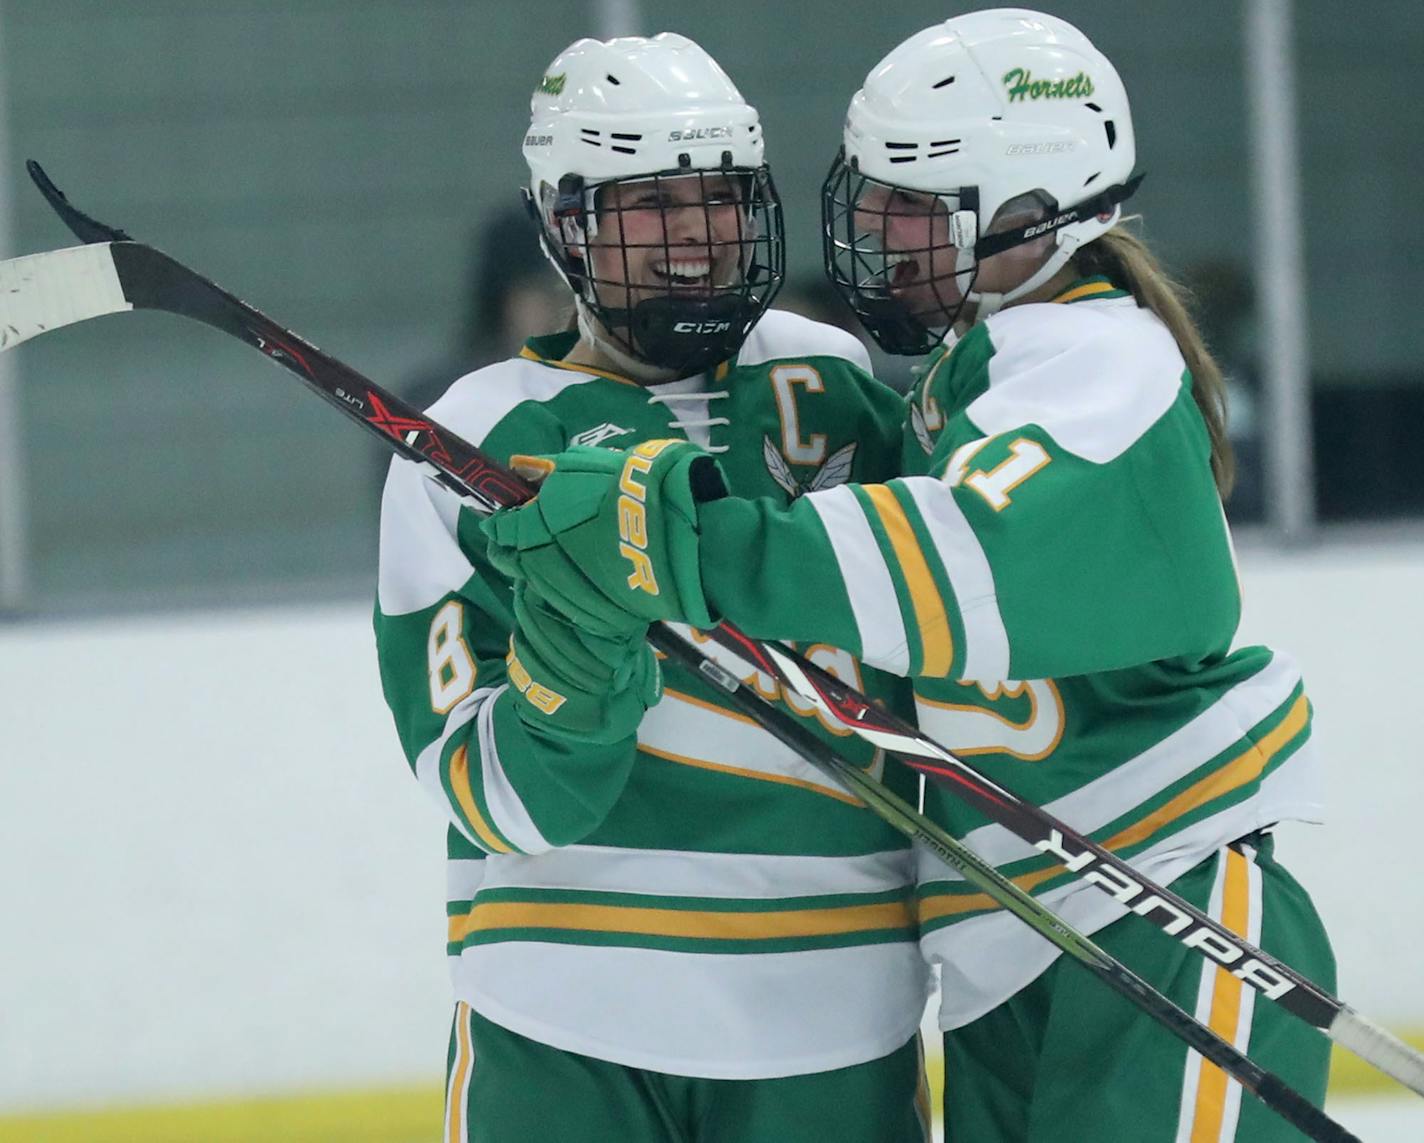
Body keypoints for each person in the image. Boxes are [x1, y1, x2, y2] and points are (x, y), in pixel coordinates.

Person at [485, 11, 1335, 1142]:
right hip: (1008, 944)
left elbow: (957, 562)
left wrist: (681, 537)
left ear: (1033, 213)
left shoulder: (1104, 362)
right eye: (873, 195)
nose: (879, 231)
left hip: (1158, 897)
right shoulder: (965, 380)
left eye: (914, 206)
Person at [374, 32, 932, 1143]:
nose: (694, 230)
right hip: (560, 1011)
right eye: (650, 200)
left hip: (835, 1007)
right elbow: (495, 802)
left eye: (721, 195)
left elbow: (943, 648)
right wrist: (576, 666)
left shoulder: (833, 382)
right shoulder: (472, 442)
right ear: (563, 222)